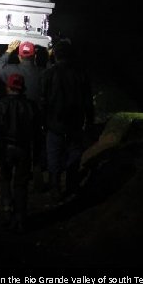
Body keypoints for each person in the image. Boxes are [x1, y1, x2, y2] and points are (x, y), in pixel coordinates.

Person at [41, 40, 94, 203]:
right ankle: (72, 186)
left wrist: (43, 122)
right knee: (74, 154)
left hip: (54, 123)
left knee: (54, 156)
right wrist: (89, 121)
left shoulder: (48, 74)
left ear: (55, 55)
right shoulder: (81, 73)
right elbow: (87, 101)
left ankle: (55, 189)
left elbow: (43, 100)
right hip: (75, 123)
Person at [0, 73, 42, 233]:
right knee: (21, 184)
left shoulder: (0, 105)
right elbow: (36, 132)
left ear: (8, 87)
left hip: (5, 148)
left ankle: (8, 212)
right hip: (24, 149)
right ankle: (21, 218)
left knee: (5, 179)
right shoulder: (30, 106)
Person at [0, 39, 45, 190]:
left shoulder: (11, 70)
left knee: (15, 146)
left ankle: (8, 184)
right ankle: (37, 173)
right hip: (36, 117)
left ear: (19, 56)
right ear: (34, 56)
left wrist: (8, 51)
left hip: (16, 119)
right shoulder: (43, 72)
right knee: (36, 145)